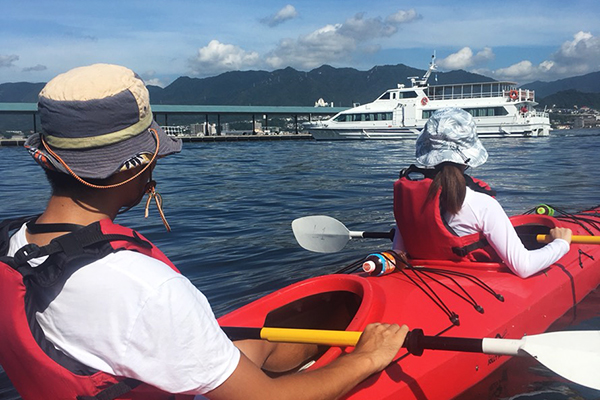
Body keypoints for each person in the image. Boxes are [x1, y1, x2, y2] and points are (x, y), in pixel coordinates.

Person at [0, 64, 408, 400]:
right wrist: (367, 357)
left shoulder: (14, 245)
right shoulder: (145, 287)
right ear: (136, 164)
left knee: (254, 346)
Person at [392, 107, 572, 278]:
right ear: (468, 155)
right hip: (472, 284)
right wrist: (561, 243)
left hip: (421, 280)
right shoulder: (481, 204)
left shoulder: (409, 201)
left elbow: (398, 252)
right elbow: (523, 266)